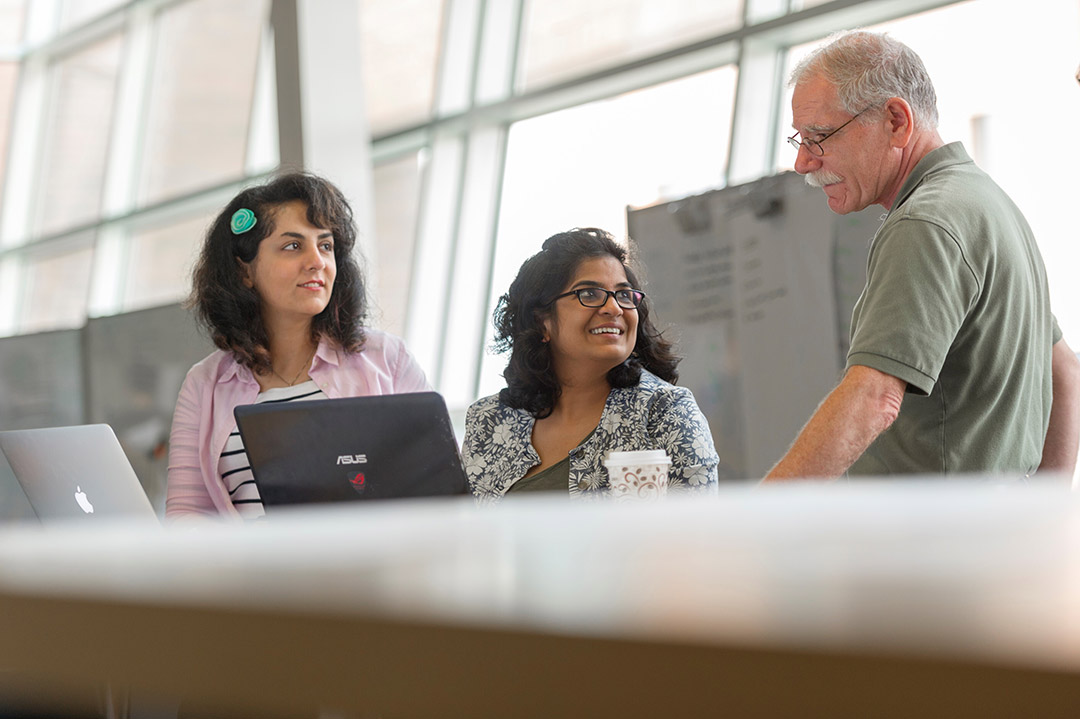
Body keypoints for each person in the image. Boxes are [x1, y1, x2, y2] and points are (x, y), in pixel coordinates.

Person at [765, 30, 1080, 480]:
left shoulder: (926, 223)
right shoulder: (987, 203)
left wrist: (759, 521)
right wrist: (1042, 517)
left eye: (820, 137)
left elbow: (874, 399)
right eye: (801, 140)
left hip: (934, 545)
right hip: (992, 537)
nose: (804, 163)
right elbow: (1066, 371)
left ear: (896, 120)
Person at [166, 173, 429, 519]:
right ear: (244, 272)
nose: (317, 261)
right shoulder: (204, 384)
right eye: (293, 246)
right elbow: (188, 514)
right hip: (251, 572)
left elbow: (438, 486)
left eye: (325, 245)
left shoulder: (388, 359)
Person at [462, 227, 718, 503]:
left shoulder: (665, 411)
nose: (615, 309)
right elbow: (459, 530)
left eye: (623, 295)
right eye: (590, 293)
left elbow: (696, 534)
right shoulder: (489, 419)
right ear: (541, 321)